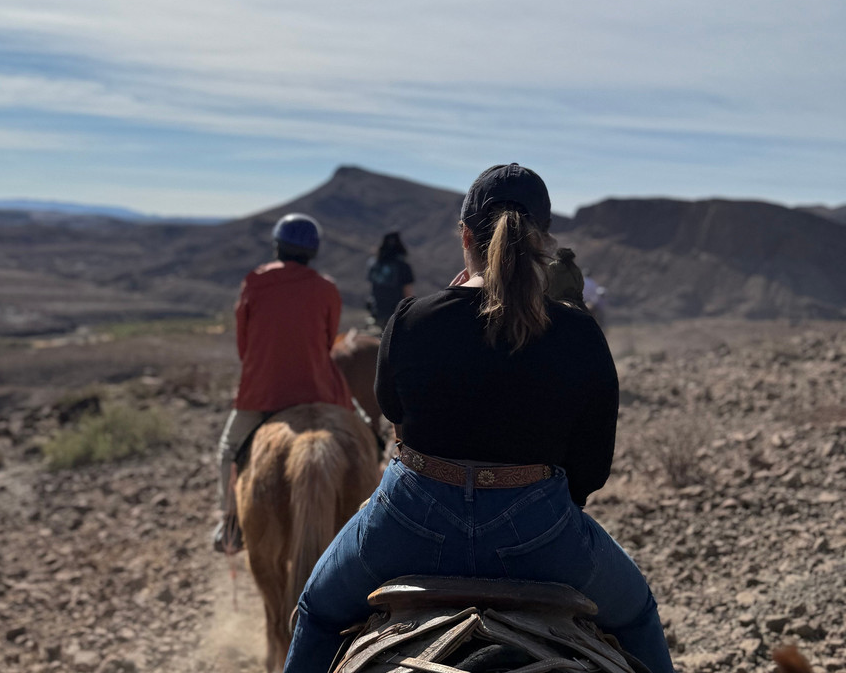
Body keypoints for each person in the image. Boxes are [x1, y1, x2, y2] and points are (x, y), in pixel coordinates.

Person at [283, 164, 673, 673]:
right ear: (544, 243)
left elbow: (395, 416)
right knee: (638, 614)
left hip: (409, 521)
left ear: (465, 236)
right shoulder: (579, 333)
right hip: (541, 532)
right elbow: (591, 470)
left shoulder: (412, 319)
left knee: (317, 611)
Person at [212, 213, 354, 554]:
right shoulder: (327, 288)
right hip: (315, 389)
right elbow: (326, 341)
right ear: (313, 252)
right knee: (362, 437)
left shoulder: (255, 282)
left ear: (278, 246)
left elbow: (244, 345)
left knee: (230, 450)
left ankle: (231, 527)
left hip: (262, 392)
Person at [366, 231, 415, 328]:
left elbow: (372, 287)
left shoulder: (373, 264)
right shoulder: (403, 266)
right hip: (397, 312)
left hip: (377, 311)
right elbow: (407, 293)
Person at [546, 246, 588, 310]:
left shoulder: (552, 266)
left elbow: (546, 283)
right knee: (589, 318)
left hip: (554, 299)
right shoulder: (576, 269)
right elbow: (581, 286)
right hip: (574, 300)